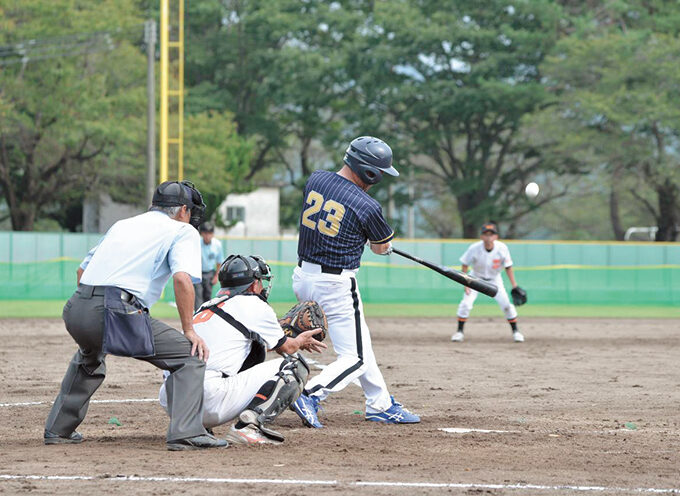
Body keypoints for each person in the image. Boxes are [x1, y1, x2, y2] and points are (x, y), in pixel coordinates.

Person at [44, 180, 227, 451]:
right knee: (189, 355)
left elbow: (82, 272)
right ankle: (186, 432)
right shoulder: (182, 230)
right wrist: (189, 330)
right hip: (114, 310)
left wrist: (93, 307)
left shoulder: (123, 224)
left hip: (77, 307)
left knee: (89, 356)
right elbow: (182, 280)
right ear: (183, 211)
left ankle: (58, 429)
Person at [290, 136, 420, 428]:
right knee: (355, 357)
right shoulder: (368, 205)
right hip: (335, 284)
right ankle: (310, 394)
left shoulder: (316, 179)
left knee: (360, 345)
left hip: (303, 277)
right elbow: (379, 247)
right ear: (368, 171)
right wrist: (384, 245)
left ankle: (380, 404)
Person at [159, 254, 326, 444]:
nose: (262, 286)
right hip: (208, 401)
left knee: (251, 354)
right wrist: (299, 340)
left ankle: (197, 427)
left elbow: (240, 349)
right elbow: (287, 349)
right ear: (254, 284)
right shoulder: (254, 304)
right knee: (295, 366)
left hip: (173, 403)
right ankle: (250, 427)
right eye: (261, 281)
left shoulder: (206, 306)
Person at [451, 221, 525, 343]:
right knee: (465, 304)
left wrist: (514, 285)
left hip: (495, 280)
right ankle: (459, 332)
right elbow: (465, 264)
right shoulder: (474, 248)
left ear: (496, 236)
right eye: (486, 234)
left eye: (491, 234)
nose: (488, 237)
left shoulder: (502, 248)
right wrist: (465, 283)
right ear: (481, 236)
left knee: (507, 305)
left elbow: (508, 267)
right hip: (474, 279)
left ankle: (516, 332)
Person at [194, 222, 223, 310]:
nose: (207, 236)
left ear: (212, 234)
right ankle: (197, 316)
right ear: (202, 234)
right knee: (198, 295)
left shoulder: (217, 245)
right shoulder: (196, 243)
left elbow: (219, 261)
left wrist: (216, 276)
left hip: (210, 273)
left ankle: (206, 316)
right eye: (205, 233)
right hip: (197, 272)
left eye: (210, 233)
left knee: (207, 296)